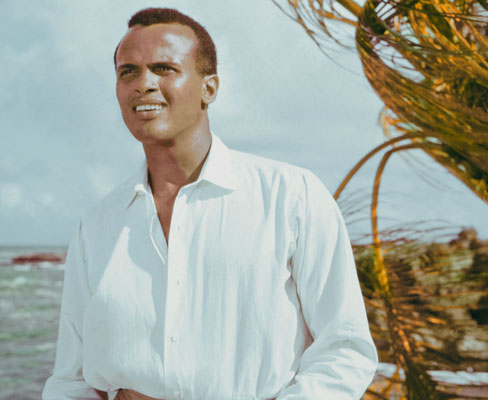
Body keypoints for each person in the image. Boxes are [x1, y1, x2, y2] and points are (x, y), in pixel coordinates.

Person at [43, 7, 378, 400]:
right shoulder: (97, 225)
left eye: (164, 68)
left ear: (210, 88)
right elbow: (71, 380)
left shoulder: (292, 197)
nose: (143, 84)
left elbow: (345, 350)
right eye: (127, 71)